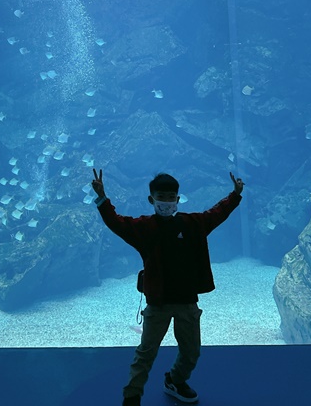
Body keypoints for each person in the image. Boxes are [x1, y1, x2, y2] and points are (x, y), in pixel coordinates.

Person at [91, 169, 244, 406]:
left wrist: (234, 195)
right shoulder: (143, 227)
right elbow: (116, 222)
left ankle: (175, 379)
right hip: (158, 302)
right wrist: (102, 198)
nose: (167, 201)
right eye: (161, 196)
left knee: (191, 352)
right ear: (151, 199)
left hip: (187, 301)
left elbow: (217, 213)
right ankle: (132, 396)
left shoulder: (193, 223)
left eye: (171, 196)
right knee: (146, 353)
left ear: (178, 199)